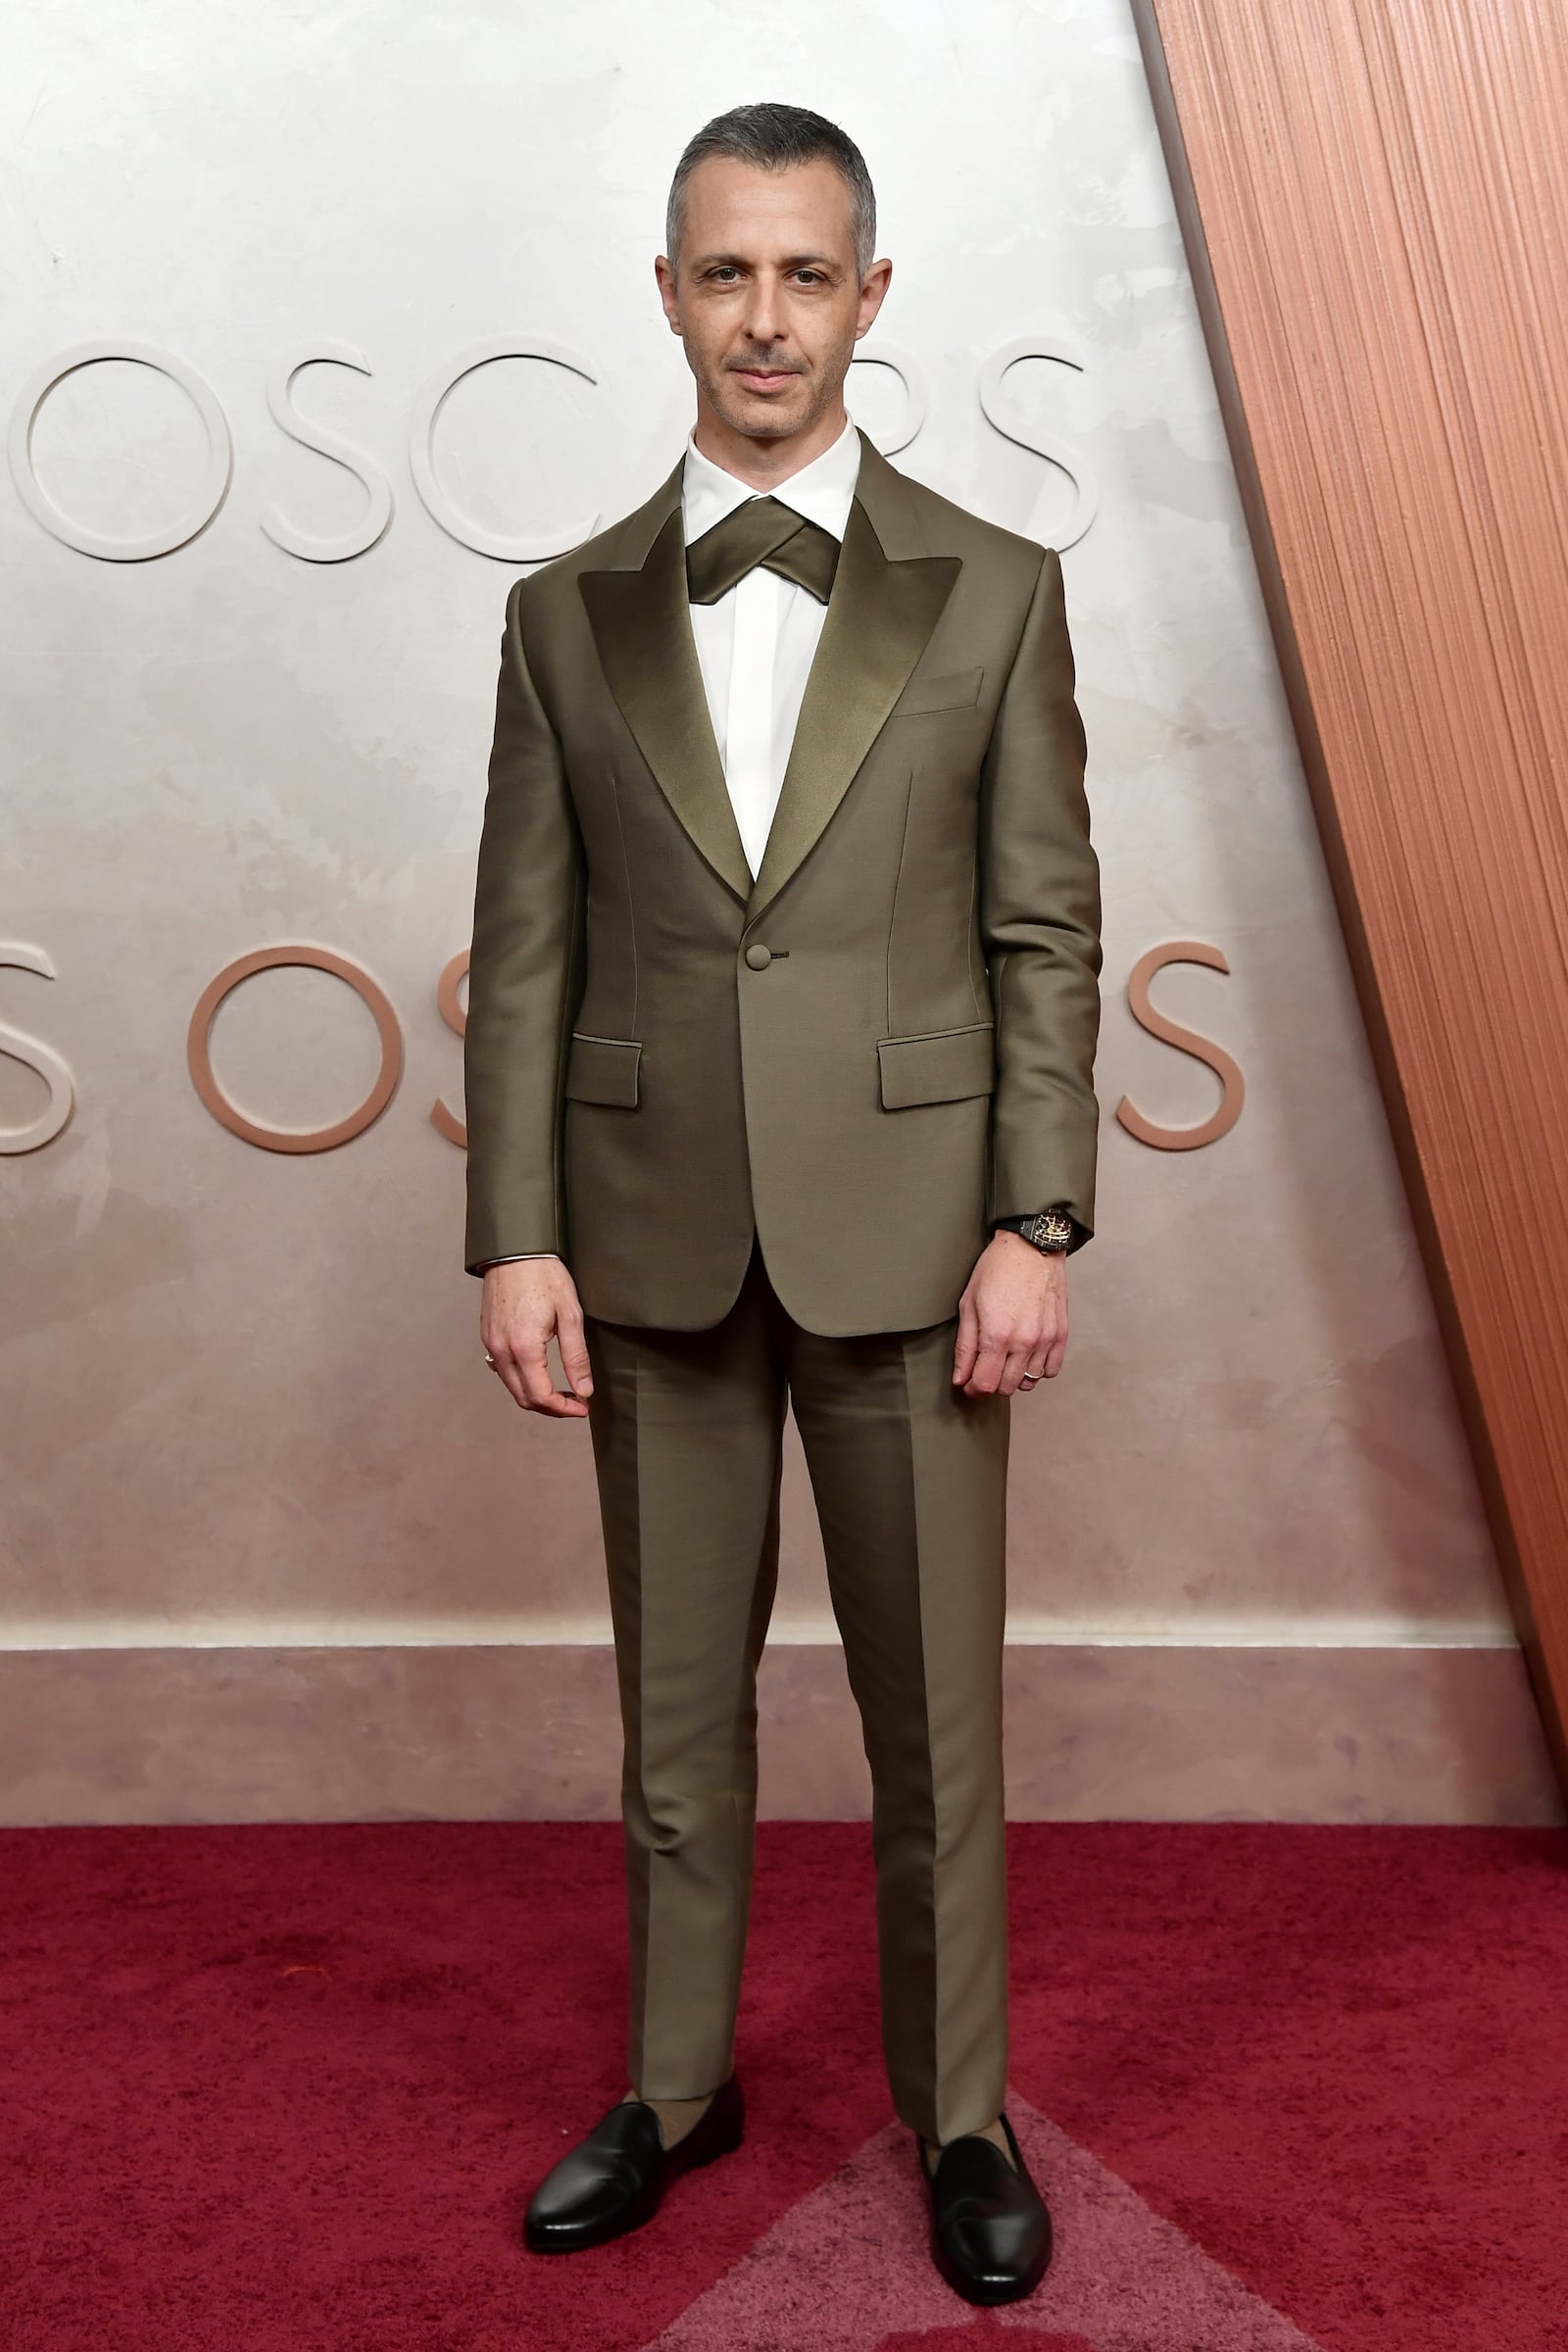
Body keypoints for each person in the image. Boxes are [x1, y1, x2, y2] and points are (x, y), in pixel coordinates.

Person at [462, 100, 1101, 2308]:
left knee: (934, 1721)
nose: (762, 317)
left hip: (921, 1246)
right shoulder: (561, 615)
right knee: (671, 1714)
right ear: (665, 292)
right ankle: (670, 2084)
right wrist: (514, 1232)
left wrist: (1035, 1217)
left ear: (869, 297)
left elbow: (1043, 932)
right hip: (640, 1236)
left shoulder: (996, 592)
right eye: (722, 273)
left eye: (803, 274)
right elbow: (525, 948)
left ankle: (957, 2115)